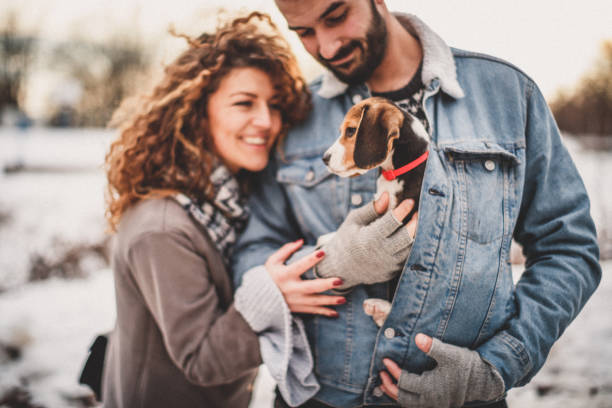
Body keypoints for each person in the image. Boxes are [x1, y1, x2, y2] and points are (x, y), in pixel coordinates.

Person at [232, 1, 602, 407]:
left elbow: (568, 248)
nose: (327, 46)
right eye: (303, 32)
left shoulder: (508, 93)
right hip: (321, 397)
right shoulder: (292, 114)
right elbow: (251, 254)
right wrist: (330, 263)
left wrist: (496, 366)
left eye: (336, 16)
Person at [102, 12, 346, 408]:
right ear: (199, 112)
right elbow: (200, 360)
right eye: (244, 103)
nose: (266, 121)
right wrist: (269, 298)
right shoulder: (163, 229)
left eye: (274, 104)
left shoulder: (226, 202)